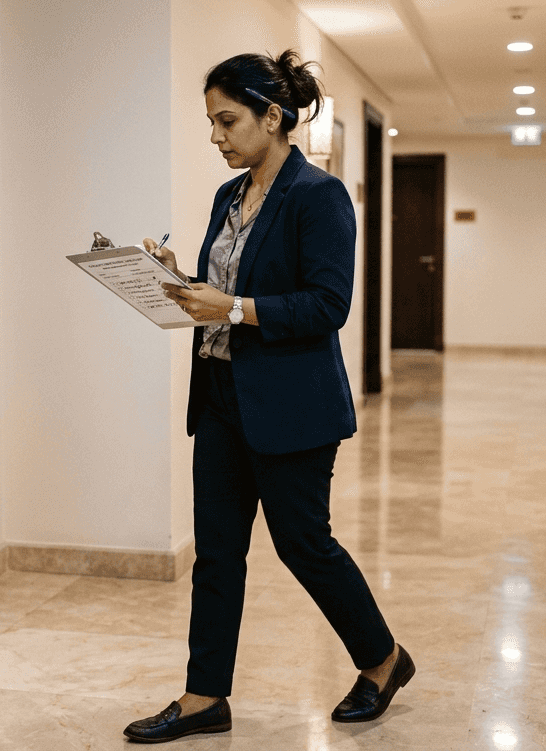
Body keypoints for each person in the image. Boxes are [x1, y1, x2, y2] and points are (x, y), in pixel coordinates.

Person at [123, 50, 413, 744]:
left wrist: (230, 307)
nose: (216, 137)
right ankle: (203, 697)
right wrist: (177, 279)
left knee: (304, 545)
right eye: (211, 123)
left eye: (227, 121)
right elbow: (229, 291)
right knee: (217, 553)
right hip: (222, 395)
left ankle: (384, 660)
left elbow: (326, 305)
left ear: (272, 116)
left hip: (293, 405)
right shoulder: (230, 195)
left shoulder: (318, 196)